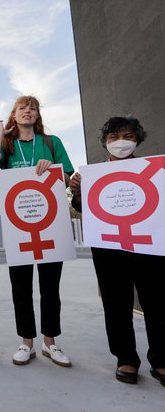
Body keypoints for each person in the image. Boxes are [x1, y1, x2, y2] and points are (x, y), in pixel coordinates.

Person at [70, 116, 165, 386]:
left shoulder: (155, 170)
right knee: (115, 303)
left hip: (150, 246)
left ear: (137, 139)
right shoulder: (92, 174)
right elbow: (82, 208)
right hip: (109, 248)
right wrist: (77, 193)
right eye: (113, 138)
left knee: (158, 301)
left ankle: (161, 359)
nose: (120, 142)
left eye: (127, 136)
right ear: (105, 143)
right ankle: (126, 358)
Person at [0, 95, 74, 367]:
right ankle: (26, 343)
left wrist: (53, 171)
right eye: (22, 108)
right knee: (20, 287)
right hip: (19, 229)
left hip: (49, 225)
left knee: (50, 287)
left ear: (38, 116)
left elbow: (68, 177)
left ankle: (50, 343)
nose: (28, 112)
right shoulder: (8, 145)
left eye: (32, 108)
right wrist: (2, 130)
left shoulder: (51, 142)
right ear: (15, 114)